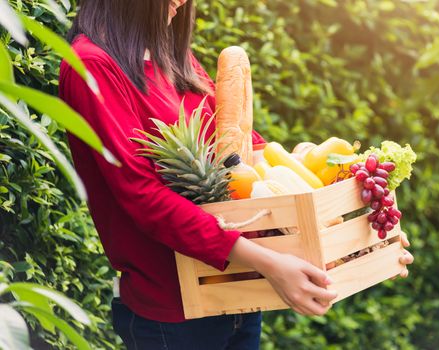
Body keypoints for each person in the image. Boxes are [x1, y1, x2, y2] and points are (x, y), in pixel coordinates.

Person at [59, 0, 414, 349]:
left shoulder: (164, 49)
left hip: (237, 291)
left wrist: (358, 242)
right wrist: (269, 262)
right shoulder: (92, 65)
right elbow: (143, 196)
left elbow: (243, 149)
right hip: (175, 315)